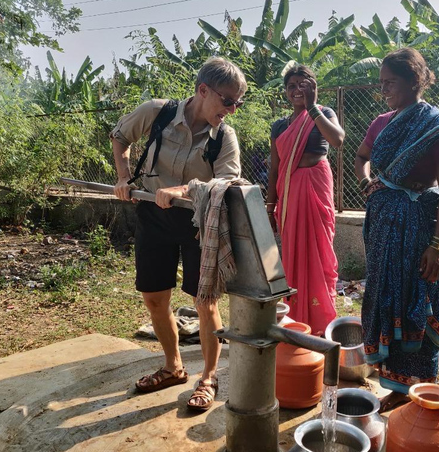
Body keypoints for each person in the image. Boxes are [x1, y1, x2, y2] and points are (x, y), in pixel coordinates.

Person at [110, 57, 247, 412]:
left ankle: (209, 377)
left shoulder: (225, 136)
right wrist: (124, 177)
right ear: (203, 90)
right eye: (227, 100)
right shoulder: (156, 112)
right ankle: (173, 366)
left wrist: (183, 189)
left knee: (205, 302)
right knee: (155, 298)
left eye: (237, 102)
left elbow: (225, 182)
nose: (231, 110)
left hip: (199, 223)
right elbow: (120, 137)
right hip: (152, 216)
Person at [354, 48, 439, 412]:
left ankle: (419, 385)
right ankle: (396, 386)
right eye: (381, 83)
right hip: (381, 223)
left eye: (391, 83)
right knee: (385, 295)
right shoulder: (381, 122)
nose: (384, 90)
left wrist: (438, 244)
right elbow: (360, 157)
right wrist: (367, 181)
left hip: (417, 227)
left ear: (414, 80)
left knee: (417, 296)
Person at [267, 65, 345, 336]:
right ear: (286, 92)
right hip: (289, 192)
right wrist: (270, 206)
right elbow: (275, 169)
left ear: (313, 87)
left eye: (303, 84)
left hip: (315, 186)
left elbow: (337, 140)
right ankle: (295, 317)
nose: (296, 90)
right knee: (292, 252)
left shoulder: (324, 113)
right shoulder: (279, 126)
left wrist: (312, 108)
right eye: (291, 86)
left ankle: (321, 319)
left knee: (320, 247)